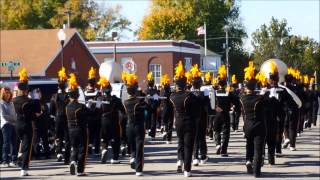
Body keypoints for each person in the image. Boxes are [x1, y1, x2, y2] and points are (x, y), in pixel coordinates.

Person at [170, 61, 197, 177]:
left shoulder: (172, 96)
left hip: (178, 122)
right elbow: (196, 108)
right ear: (185, 85)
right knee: (188, 146)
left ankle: (179, 162)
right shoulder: (189, 96)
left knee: (180, 143)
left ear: (177, 85)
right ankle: (187, 170)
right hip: (188, 122)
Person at [240, 62, 266, 178]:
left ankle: (248, 160)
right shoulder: (260, 98)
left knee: (249, 144)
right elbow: (268, 106)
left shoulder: (242, 98)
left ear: (246, 87)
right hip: (259, 126)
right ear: (255, 87)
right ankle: (256, 171)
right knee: (258, 148)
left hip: (247, 125)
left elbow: (240, 95)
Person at [13, 68, 40, 176]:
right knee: (27, 146)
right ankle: (23, 169)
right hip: (27, 124)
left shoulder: (14, 100)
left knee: (21, 144)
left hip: (17, 124)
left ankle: (19, 156)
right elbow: (38, 112)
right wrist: (37, 99)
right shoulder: (30, 101)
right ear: (26, 90)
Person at [122, 72, 148, 176]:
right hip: (138, 126)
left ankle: (132, 157)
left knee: (132, 145)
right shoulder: (139, 101)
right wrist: (146, 99)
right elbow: (149, 108)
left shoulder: (125, 102)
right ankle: (138, 170)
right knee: (139, 146)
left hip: (129, 126)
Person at [98, 76, 125, 164]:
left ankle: (104, 149)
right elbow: (123, 111)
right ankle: (114, 158)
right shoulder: (116, 100)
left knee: (104, 138)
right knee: (115, 140)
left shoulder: (100, 99)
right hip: (114, 121)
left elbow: (96, 111)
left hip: (104, 121)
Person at [66, 73, 89, 176]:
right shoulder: (81, 106)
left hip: (71, 130)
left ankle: (72, 161)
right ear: (78, 95)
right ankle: (80, 170)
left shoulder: (67, 107)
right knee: (82, 149)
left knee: (74, 147)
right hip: (80, 129)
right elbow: (87, 117)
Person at [213, 65, 239, 157]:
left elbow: (211, 103)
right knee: (226, 132)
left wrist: (215, 108)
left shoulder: (214, 92)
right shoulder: (229, 92)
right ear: (225, 83)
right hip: (225, 114)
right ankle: (223, 151)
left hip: (217, 114)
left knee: (216, 130)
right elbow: (236, 102)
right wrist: (234, 108)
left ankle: (217, 144)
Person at [189, 64, 209, 166]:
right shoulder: (204, 94)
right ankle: (203, 156)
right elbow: (208, 106)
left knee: (194, 137)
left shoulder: (189, 94)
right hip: (202, 118)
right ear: (200, 84)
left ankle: (195, 157)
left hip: (192, 118)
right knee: (201, 137)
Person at [50, 67, 70, 164]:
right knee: (67, 138)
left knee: (58, 136)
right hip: (67, 119)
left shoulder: (54, 97)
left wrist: (55, 115)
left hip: (58, 118)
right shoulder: (69, 96)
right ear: (65, 85)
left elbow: (51, 111)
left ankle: (58, 153)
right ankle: (67, 157)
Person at [84, 67, 101, 155]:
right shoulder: (98, 92)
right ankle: (97, 150)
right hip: (96, 116)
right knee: (97, 134)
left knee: (89, 133)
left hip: (88, 117)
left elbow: (84, 106)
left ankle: (89, 147)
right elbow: (99, 106)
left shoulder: (84, 92)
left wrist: (89, 105)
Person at [31, 88, 50, 159]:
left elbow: (47, 113)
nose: (38, 94)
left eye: (39, 92)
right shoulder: (32, 103)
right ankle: (37, 155)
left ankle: (47, 154)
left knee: (45, 140)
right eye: (37, 93)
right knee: (36, 141)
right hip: (35, 125)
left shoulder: (43, 103)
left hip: (43, 124)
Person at [1, 87, 17, 167]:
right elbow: (3, 115)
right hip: (6, 125)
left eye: (8, 92)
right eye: (6, 92)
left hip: (14, 124)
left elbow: (14, 114)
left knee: (14, 143)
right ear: (2, 93)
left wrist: (15, 119)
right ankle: (5, 160)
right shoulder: (1, 103)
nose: (7, 94)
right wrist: (13, 119)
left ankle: (14, 160)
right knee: (6, 143)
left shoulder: (11, 103)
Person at [144, 72, 160, 139]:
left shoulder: (147, 90)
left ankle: (150, 132)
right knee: (152, 120)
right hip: (151, 107)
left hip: (150, 107)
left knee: (150, 120)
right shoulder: (153, 90)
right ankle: (152, 133)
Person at [159, 74, 174, 144]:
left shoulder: (161, 91)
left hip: (163, 108)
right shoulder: (169, 91)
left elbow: (160, 100)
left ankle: (164, 130)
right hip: (170, 108)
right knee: (170, 123)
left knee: (165, 121)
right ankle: (168, 138)